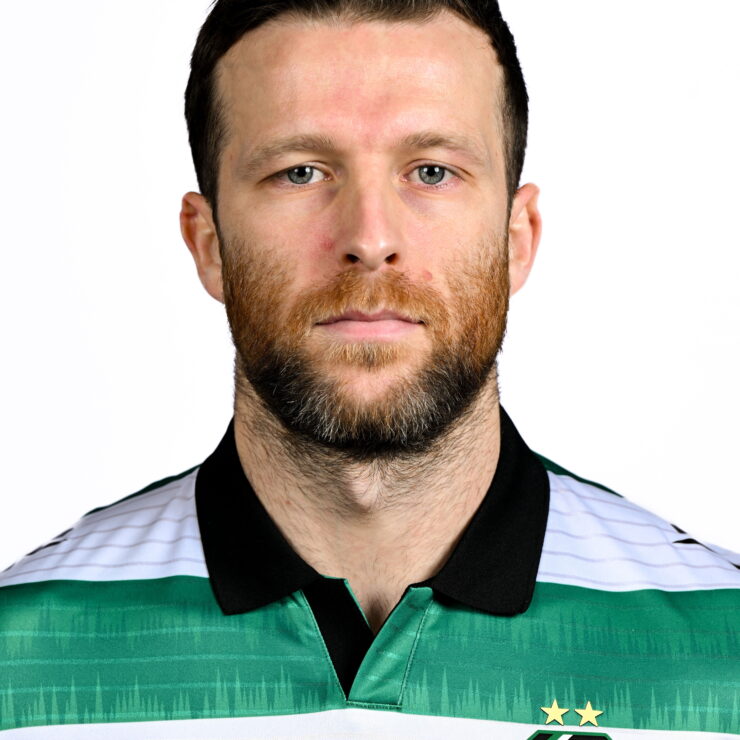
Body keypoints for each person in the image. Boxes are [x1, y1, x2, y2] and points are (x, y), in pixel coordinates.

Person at [0, 0, 737, 737]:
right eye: (300, 172)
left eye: (432, 171)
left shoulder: (723, 643)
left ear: (518, 238)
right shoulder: (18, 664)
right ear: (209, 244)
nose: (370, 237)